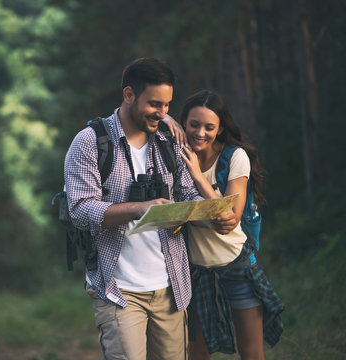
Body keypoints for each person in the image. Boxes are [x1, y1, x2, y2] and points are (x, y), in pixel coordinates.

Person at [64, 59, 235, 360]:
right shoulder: (90, 144)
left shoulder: (170, 141)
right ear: (128, 94)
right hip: (118, 291)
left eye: (168, 105)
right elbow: (79, 210)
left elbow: (190, 193)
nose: (163, 113)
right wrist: (139, 208)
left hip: (172, 286)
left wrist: (210, 213)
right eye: (154, 104)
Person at [163, 89, 284, 360]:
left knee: (251, 352)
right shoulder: (173, 155)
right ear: (183, 123)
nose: (200, 133)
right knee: (198, 354)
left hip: (237, 266)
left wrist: (198, 175)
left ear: (220, 129)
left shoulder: (235, 156)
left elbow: (230, 216)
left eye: (209, 127)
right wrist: (166, 119)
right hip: (196, 272)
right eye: (193, 124)